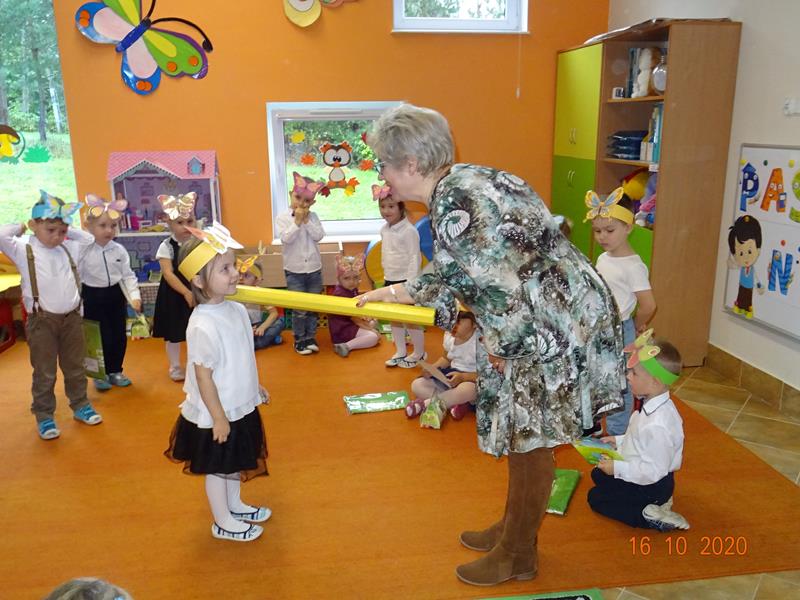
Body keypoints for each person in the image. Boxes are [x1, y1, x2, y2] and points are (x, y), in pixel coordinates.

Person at [357, 104, 625, 586]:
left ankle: (517, 552)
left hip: (552, 322)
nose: (383, 177)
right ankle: (513, 530)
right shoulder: (463, 182)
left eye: (385, 165)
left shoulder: (455, 202)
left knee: (531, 436)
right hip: (555, 310)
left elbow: (498, 287)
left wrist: (503, 346)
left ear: (411, 165)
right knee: (525, 434)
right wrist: (395, 293)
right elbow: (461, 270)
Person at [164, 221, 270, 543]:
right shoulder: (202, 325)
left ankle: (234, 505)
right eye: (225, 269)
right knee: (217, 466)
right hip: (217, 410)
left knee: (233, 461)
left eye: (233, 265)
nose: (236, 273)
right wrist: (219, 417)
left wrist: (254, 387)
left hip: (238, 401)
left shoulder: (236, 309)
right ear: (198, 280)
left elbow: (241, 356)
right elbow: (203, 376)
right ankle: (222, 521)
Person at [0, 190, 103, 440]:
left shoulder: (69, 248)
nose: (57, 236)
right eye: (50, 230)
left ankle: (80, 404)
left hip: (72, 319)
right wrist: (22, 226)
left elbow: (89, 239)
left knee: (75, 367)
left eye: (62, 231)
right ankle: (44, 415)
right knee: (44, 372)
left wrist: (66, 228)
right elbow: (2, 235)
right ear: (34, 225)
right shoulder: (24, 248)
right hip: (42, 321)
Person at [587, 332, 689, 532]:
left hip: (651, 484)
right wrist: (617, 440)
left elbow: (652, 471)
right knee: (598, 474)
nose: (628, 376)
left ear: (655, 382)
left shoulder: (658, 426)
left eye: (634, 373)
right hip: (644, 472)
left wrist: (617, 469)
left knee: (596, 498)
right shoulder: (651, 403)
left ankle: (648, 515)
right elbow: (640, 439)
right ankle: (656, 502)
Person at [588, 187, 656, 436]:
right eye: (597, 231)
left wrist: (636, 325)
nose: (602, 237)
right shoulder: (604, 258)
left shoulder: (633, 266)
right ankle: (595, 422)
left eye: (609, 230)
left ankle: (618, 434)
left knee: (620, 383)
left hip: (620, 330)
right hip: (599, 328)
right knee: (598, 376)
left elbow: (649, 305)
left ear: (628, 227)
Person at [80, 194, 142, 391]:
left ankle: (115, 370)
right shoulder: (83, 251)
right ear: (88, 227)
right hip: (92, 297)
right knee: (98, 337)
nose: (109, 230)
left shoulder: (118, 250)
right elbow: (76, 277)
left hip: (115, 296)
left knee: (117, 335)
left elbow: (128, 275)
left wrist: (134, 296)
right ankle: (99, 373)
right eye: (102, 225)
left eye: (113, 226)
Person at [374, 184, 425, 368]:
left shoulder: (408, 231)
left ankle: (419, 353)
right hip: (390, 278)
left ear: (401, 207)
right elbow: (386, 254)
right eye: (382, 206)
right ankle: (401, 351)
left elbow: (414, 257)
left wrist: (411, 283)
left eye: (391, 206)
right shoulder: (384, 230)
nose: (386, 211)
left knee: (410, 320)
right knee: (394, 317)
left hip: (406, 281)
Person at [275, 172, 326, 355]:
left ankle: (310, 337)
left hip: (314, 270)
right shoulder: (282, 218)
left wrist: (306, 221)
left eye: (307, 201)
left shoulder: (313, 217)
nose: (301, 204)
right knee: (299, 309)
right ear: (291, 194)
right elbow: (286, 238)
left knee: (312, 307)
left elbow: (318, 236)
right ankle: (299, 340)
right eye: (298, 198)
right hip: (294, 271)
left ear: (313, 202)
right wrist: (297, 222)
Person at [152, 192, 197, 381]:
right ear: (169, 224)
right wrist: (186, 292)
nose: (186, 226)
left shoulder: (198, 243)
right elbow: (168, 273)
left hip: (195, 291)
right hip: (174, 294)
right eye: (180, 222)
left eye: (190, 221)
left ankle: (197, 364)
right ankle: (175, 366)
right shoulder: (166, 246)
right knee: (174, 333)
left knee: (197, 330)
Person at [406, 310, 478, 422]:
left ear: (475, 324)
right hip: (451, 376)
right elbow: (446, 359)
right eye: (450, 321)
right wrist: (432, 368)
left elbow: (487, 375)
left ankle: (425, 405)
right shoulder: (449, 335)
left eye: (458, 322)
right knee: (417, 385)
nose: (453, 325)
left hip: (471, 379)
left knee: (468, 390)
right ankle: (457, 403)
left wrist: (463, 377)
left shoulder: (480, 342)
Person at [329, 254, 380, 357]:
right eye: (346, 278)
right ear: (339, 279)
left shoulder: (351, 289)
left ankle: (361, 336)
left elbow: (357, 309)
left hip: (351, 324)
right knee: (373, 337)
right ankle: (346, 346)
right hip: (343, 329)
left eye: (355, 278)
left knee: (374, 321)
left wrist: (368, 320)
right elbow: (354, 318)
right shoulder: (341, 293)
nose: (352, 282)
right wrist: (370, 329)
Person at [236, 255, 283, 350]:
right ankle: (263, 342)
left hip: (256, 326)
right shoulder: (233, 292)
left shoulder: (260, 293)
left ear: (256, 280)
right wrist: (246, 329)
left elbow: (274, 313)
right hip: (239, 328)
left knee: (280, 322)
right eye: (239, 274)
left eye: (246, 275)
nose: (241, 278)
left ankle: (256, 342)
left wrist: (262, 327)